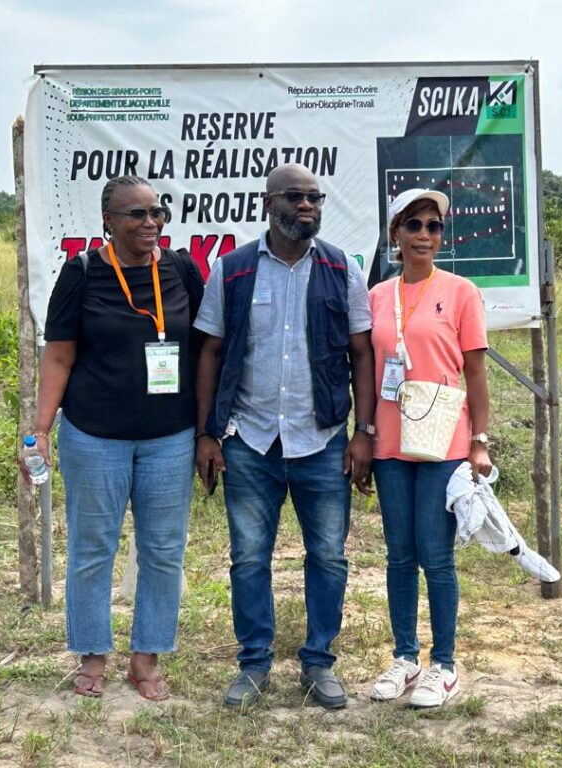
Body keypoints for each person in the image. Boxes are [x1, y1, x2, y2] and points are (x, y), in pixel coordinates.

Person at [193, 163, 375, 710]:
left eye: (315, 197)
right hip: (250, 442)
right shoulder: (233, 271)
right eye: (295, 197)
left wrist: (363, 432)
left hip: (322, 440)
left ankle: (318, 663)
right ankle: (254, 665)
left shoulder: (342, 270)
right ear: (268, 203)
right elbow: (211, 352)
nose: (307, 206)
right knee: (249, 558)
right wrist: (207, 434)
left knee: (329, 557)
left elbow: (362, 354)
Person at [22, 176, 205, 701]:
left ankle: (147, 658)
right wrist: (40, 430)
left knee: (163, 550)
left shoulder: (182, 270)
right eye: (137, 214)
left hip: (169, 438)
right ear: (108, 220)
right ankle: (92, 655)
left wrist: (207, 428)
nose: (150, 223)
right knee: (92, 548)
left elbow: (205, 349)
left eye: (157, 212)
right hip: (94, 436)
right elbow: (59, 356)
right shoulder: (82, 273)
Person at [367, 188, 492, 708]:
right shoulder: (377, 295)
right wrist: (363, 432)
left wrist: (479, 442)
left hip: (444, 442)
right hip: (389, 443)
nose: (424, 235)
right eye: (413, 225)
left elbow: (476, 372)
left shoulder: (461, 292)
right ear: (395, 233)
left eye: (433, 226)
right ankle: (405, 658)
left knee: (435, 556)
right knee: (400, 555)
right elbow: (366, 369)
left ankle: (444, 664)